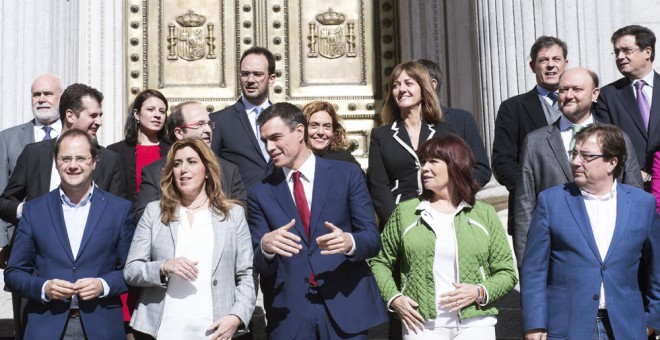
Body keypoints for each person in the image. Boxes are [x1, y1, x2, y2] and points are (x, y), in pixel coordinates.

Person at [248, 102, 387, 339]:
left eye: (276, 138)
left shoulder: (347, 174)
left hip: (345, 306)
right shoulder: (260, 192)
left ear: (299, 132)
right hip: (290, 313)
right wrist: (266, 246)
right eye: (265, 141)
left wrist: (349, 242)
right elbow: (258, 260)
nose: (269, 147)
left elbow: (372, 239)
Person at [521, 124, 660, 339]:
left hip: (627, 327)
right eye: (574, 154)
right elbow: (534, 269)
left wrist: (653, 318)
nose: (576, 162)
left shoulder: (643, 204)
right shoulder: (551, 201)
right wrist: (534, 323)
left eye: (586, 156)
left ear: (611, 162)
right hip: (567, 327)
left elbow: (657, 268)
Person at [371, 135, 517, 340]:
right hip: (420, 324)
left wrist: (479, 291)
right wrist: (395, 298)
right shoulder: (405, 212)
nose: (424, 168)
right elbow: (380, 262)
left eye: (433, 161)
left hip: (475, 323)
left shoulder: (484, 213)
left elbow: (506, 272)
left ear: (455, 164)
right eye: (422, 162)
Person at [4, 128, 135, 339]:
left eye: (81, 158)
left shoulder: (119, 210)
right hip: (47, 327)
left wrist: (103, 285)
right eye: (66, 158)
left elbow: (132, 271)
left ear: (94, 162)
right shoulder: (34, 210)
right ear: (56, 163)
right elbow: (13, 273)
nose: (73, 165)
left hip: (101, 327)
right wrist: (44, 287)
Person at [124, 137, 255, 339]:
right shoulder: (154, 212)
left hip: (215, 329)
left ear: (207, 170)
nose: (183, 169)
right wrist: (163, 267)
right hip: (161, 328)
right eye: (177, 164)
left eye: (192, 162)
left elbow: (246, 275)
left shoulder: (233, 214)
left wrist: (237, 316)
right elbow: (131, 270)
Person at [514, 67, 643, 266]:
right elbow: (525, 205)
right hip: (556, 260)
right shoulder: (535, 142)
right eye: (563, 90)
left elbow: (634, 194)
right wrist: (527, 265)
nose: (569, 95)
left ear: (595, 94)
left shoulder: (617, 138)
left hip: (611, 258)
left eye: (577, 89)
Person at [0, 83, 126, 227]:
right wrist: (27, 211)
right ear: (70, 116)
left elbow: (118, 213)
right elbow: (5, 202)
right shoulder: (34, 153)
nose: (99, 122)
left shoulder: (109, 159)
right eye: (93, 115)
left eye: (100, 116)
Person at [491, 35, 568, 241]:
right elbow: (502, 162)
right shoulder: (512, 108)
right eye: (543, 60)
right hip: (532, 214)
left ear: (565, 64)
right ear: (533, 66)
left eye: (556, 59)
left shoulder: (584, 104)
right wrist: (534, 193)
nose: (550, 65)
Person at [367, 61, 457, 228]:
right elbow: (378, 186)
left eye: (409, 83)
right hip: (397, 219)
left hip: (442, 219)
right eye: (396, 85)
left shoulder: (446, 131)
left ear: (423, 88)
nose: (402, 90)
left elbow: (456, 177)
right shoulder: (381, 135)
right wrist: (397, 222)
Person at [135, 101, 245, 221]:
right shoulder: (154, 172)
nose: (208, 130)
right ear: (179, 133)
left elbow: (240, 216)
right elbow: (144, 217)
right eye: (200, 124)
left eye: (209, 124)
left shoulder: (229, 170)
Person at [0, 74, 63, 259]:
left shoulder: (78, 137)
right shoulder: (7, 138)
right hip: (21, 238)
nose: (41, 99)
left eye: (48, 94)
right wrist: (1, 240)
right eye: (36, 95)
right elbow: (2, 191)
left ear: (61, 97)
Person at [596, 25, 660, 186]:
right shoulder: (607, 95)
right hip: (630, 183)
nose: (620, 56)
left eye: (626, 50)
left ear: (647, 51)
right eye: (616, 52)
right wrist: (638, 174)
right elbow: (607, 142)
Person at [415, 59, 492, 187]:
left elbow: (481, 171)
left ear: (432, 84)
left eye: (410, 82)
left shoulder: (462, 119)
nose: (403, 89)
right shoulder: (395, 127)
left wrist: (454, 195)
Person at [211, 46, 276, 189]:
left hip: (280, 205)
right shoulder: (219, 121)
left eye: (257, 74)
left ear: (271, 79)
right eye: (245, 74)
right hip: (241, 204)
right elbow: (212, 168)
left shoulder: (282, 118)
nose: (250, 80)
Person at [108, 89, 170, 205]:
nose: (157, 115)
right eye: (150, 109)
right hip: (128, 220)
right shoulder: (115, 151)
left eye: (162, 111)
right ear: (136, 114)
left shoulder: (173, 150)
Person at [301, 100, 361, 168]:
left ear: (334, 131)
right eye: (314, 126)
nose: (320, 132)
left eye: (327, 127)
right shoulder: (292, 158)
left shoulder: (344, 159)